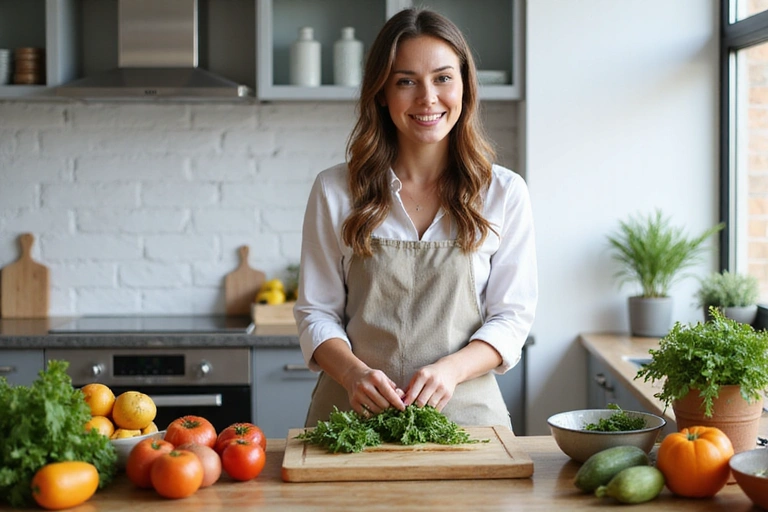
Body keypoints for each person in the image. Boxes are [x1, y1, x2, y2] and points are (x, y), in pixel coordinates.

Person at [294, 7, 537, 431]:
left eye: (443, 78)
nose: (428, 98)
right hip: (351, 422)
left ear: (465, 86)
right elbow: (316, 311)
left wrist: (453, 370)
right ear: (382, 93)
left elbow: (512, 317)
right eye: (406, 81)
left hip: (466, 421)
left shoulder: (504, 193)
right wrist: (352, 373)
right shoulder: (335, 190)